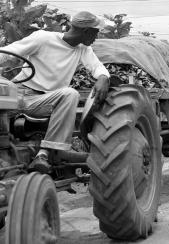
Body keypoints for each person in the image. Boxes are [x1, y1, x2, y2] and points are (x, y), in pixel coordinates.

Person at [0, 11, 111, 173]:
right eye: (96, 32)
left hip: (43, 101)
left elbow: (97, 66)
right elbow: (9, 52)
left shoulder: (83, 49)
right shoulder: (43, 38)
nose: (96, 36)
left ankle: (44, 153)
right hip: (19, 93)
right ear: (86, 31)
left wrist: (103, 77)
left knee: (70, 94)